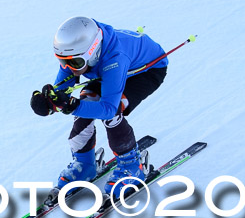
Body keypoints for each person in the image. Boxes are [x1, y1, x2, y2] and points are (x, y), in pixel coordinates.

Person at [30, 16, 168, 198]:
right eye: (62, 61)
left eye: (75, 63)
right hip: (106, 71)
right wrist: (49, 103)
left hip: (145, 71)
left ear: (92, 52)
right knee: (87, 102)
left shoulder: (115, 57)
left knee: (113, 111)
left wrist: (71, 105)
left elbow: (108, 108)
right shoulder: (75, 56)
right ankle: (84, 164)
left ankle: (132, 167)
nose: (69, 68)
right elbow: (61, 92)